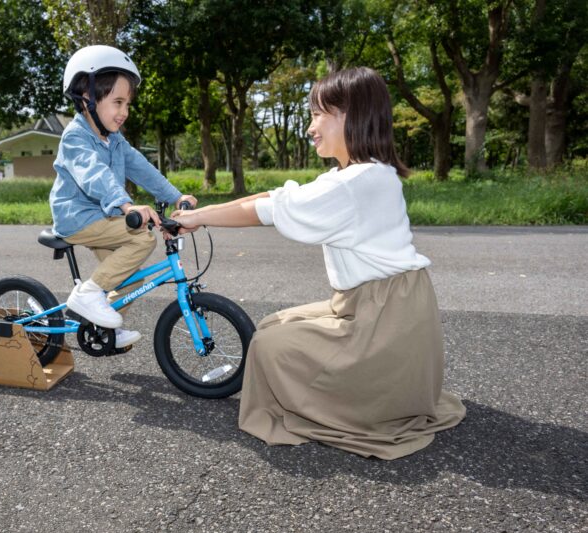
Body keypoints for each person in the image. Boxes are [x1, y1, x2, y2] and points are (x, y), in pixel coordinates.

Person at [172, 67, 465, 460]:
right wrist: (198, 215)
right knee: (273, 325)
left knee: (271, 346)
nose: (311, 127)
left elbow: (266, 210)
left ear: (352, 115)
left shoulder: (357, 183)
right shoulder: (360, 174)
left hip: (384, 321)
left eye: (318, 114)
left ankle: (362, 404)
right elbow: (273, 195)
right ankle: (348, 392)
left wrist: (199, 218)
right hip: (381, 306)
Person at [50, 45, 197, 349]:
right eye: (117, 102)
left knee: (131, 279)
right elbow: (94, 175)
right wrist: (126, 204)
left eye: (127, 103)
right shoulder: (76, 137)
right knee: (142, 238)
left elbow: (142, 169)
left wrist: (176, 196)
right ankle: (87, 295)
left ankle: (104, 330)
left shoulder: (115, 140)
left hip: (103, 217)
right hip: (77, 218)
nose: (124, 112)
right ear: (88, 97)